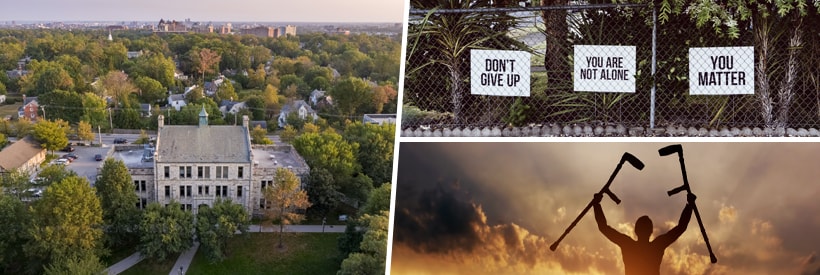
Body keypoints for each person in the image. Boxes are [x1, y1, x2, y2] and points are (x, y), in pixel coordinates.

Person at [592, 192, 696, 275]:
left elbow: (603, 228)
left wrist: (596, 205)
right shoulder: (657, 246)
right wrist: (689, 206)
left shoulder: (628, 245)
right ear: (651, 231)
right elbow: (681, 228)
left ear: (636, 230)